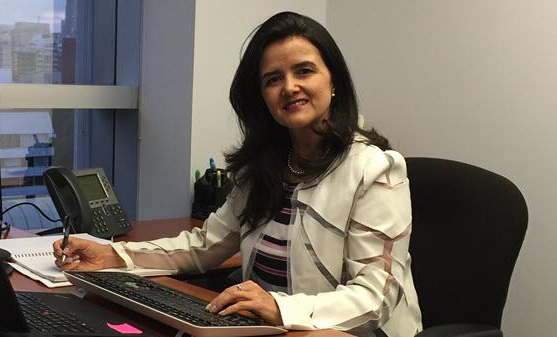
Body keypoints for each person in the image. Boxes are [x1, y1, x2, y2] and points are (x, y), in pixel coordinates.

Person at [53, 11, 422, 337]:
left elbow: (376, 299)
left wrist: (281, 308)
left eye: (304, 70)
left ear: (333, 81)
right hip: (261, 329)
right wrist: (116, 255)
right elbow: (205, 246)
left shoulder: (375, 169)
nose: (289, 87)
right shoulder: (263, 166)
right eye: (273, 79)